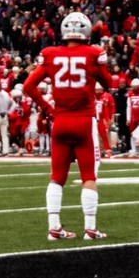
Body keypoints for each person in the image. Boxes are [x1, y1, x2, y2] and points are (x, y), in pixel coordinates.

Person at [23, 12, 114, 241]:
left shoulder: (50, 54)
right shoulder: (93, 53)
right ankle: (90, 229)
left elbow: (28, 86)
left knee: (56, 176)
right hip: (84, 121)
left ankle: (54, 228)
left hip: (60, 121)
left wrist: (47, 107)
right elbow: (108, 83)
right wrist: (100, 66)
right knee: (89, 176)